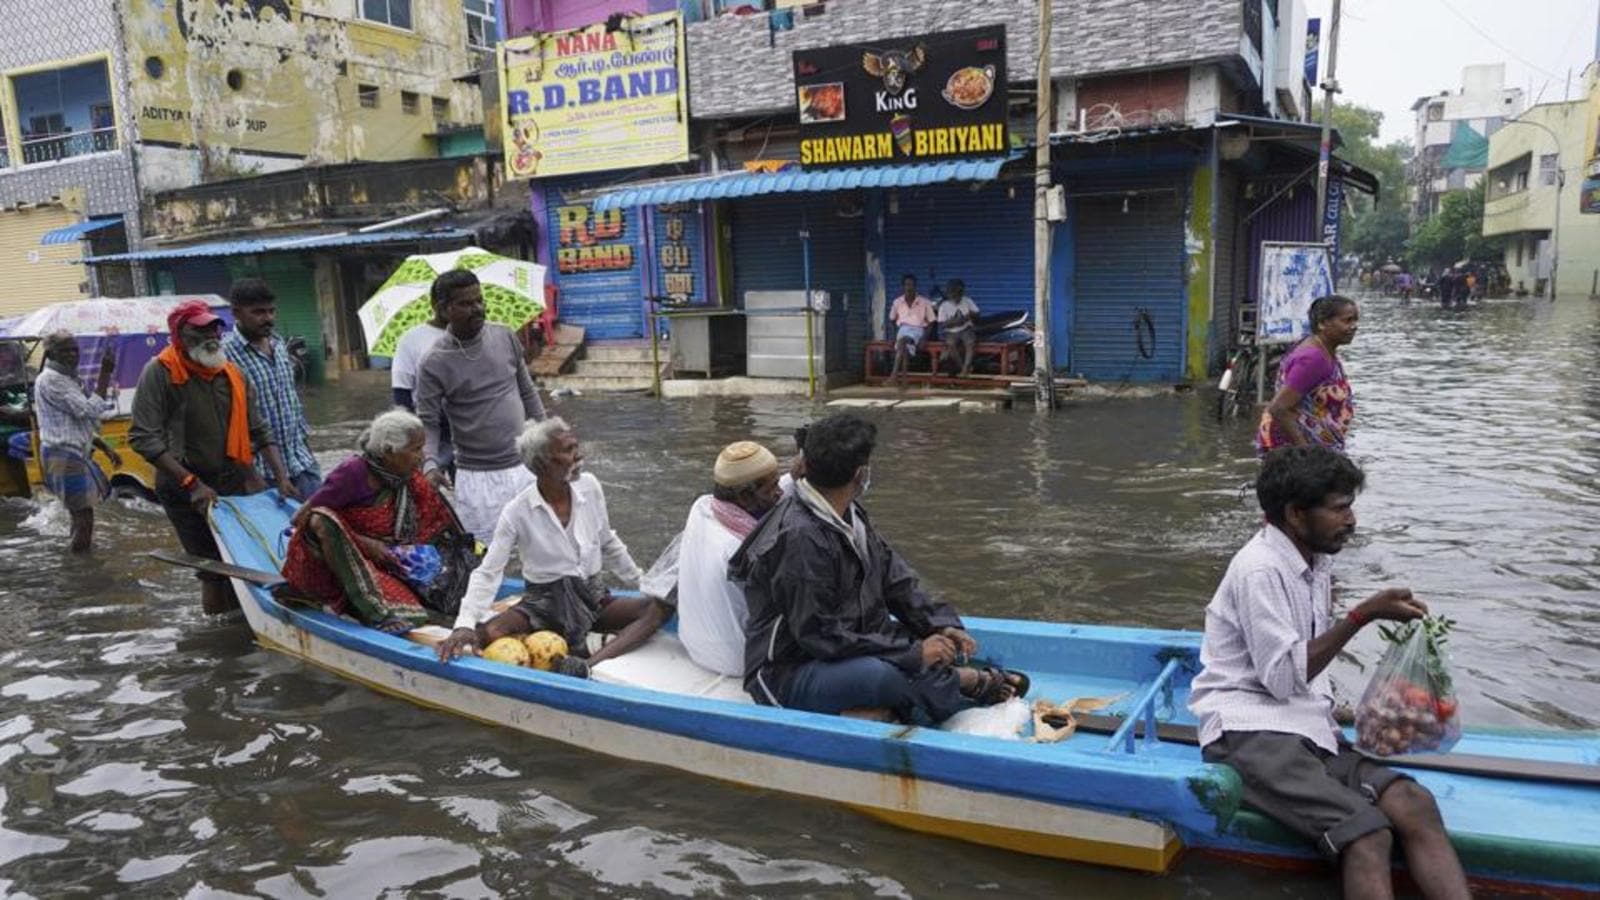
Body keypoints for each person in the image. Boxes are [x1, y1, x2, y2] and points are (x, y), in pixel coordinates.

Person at [1189, 447, 1469, 900]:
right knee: (1367, 833)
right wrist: (1361, 616)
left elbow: (1300, 670)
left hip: (1303, 726)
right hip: (1248, 734)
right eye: (1339, 508)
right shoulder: (1260, 570)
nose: (1352, 520)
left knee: (1415, 805)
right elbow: (1281, 677)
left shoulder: (1316, 560)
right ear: (1296, 514)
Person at [730, 413, 1027, 724]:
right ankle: (962, 683)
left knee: (916, 642)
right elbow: (818, 635)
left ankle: (893, 703)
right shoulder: (800, 538)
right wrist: (913, 655)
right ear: (860, 474)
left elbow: (893, 575)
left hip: (847, 643)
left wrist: (937, 624)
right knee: (879, 675)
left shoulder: (848, 512)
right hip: (790, 669)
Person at [436, 418, 668, 675]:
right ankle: (573, 645)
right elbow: (489, 572)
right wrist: (464, 624)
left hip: (592, 598)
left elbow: (607, 541)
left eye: (576, 446)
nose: (579, 455)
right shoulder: (517, 511)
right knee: (491, 632)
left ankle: (586, 664)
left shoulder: (590, 486)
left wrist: (642, 583)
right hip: (545, 604)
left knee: (660, 607)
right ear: (543, 464)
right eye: (568, 450)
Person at [130, 299, 296, 613]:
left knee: (245, 560)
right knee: (212, 570)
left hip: (231, 480)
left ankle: (246, 634)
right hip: (183, 484)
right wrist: (192, 484)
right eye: (199, 331)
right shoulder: (160, 372)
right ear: (179, 335)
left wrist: (281, 477)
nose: (210, 337)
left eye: (214, 329)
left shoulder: (232, 374)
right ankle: (217, 642)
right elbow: (143, 437)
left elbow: (259, 430)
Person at [281, 409, 476, 633]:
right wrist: (364, 543)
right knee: (323, 519)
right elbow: (302, 518)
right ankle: (374, 611)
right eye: (415, 450)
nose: (422, 457)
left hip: (386, 558)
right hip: (343, 560)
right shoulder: (353, 473)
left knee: (452, 591)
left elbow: (432, 520)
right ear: (387, 452)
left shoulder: (404, 475)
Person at [415, 270, 547, 543]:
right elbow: (427, 421)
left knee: (546, 546)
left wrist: (547, 438)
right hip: (477, 478)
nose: (477, 309)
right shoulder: (434, 362)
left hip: (525, 467)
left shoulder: (505, 337)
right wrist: (429, 464)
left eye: (479, 300)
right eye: (465, 303)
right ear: (443, 309)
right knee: (485, 558)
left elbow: (527, 392)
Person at [669, 441, 783, 676]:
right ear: (744, 496)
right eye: (772, 487)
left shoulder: (702, 507)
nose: (779, 493)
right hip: (737, 661)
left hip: (695, 646)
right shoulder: (740, 551)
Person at [223, 278, 322, 498]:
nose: (268, 318)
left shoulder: (279, 346)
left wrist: (309, 455)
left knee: (320, 527)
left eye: (271, 311)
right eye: (258, 312)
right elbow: (227, 424)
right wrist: (250, 476)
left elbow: (293, 407)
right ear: (236, 313)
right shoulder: (225, 356)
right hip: (261, 473)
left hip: (302, 465)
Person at [33, 331, 122, 553]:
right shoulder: (52, 380)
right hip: (62, 455)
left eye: (75, 349)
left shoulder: (68, 378)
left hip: (71, 453)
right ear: (52, 353)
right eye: (66, 350)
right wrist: (104, 374)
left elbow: (75, 424)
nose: (73, 355)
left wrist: (104, 447)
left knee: (80, 516)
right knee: (84, 518)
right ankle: (81, 571)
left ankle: (77, 563)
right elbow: (87, 410)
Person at [1257, 296, 1358, 456]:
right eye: (1347, 321)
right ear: (1322, 323)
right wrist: (1306, 453)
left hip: (1316, 447)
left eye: (1355, 321)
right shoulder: (1313, 358)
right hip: (1296, 452)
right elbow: (1278, 408)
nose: (1354, 327)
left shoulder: (1323, 349)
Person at [887, 275, 936, 385]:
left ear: (915, 286)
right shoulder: (897, 302)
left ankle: (894, 376)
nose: (909, 287)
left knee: (902, 342)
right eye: (907, 284)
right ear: (903, 286)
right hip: (902, 329)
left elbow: (931, 322)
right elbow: (891, 320)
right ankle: (904, 379)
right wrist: (891, 336)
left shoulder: (925, 302)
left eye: (912, 285)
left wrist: (924, 339)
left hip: (918, 330)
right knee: (903, 348)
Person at [935, 279, 981, 377]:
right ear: (950, 293)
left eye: (959, 292)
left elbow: (977, 313)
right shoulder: (944, 306)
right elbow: (942, 324)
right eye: (954, 292)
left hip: (966, 329)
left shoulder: (967, 301)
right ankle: (963, 368)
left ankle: (967, 366)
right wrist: (955, 322)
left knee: (970, 342)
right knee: (951, 344)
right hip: (951, 332)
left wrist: (970, 315)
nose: (957, 295)